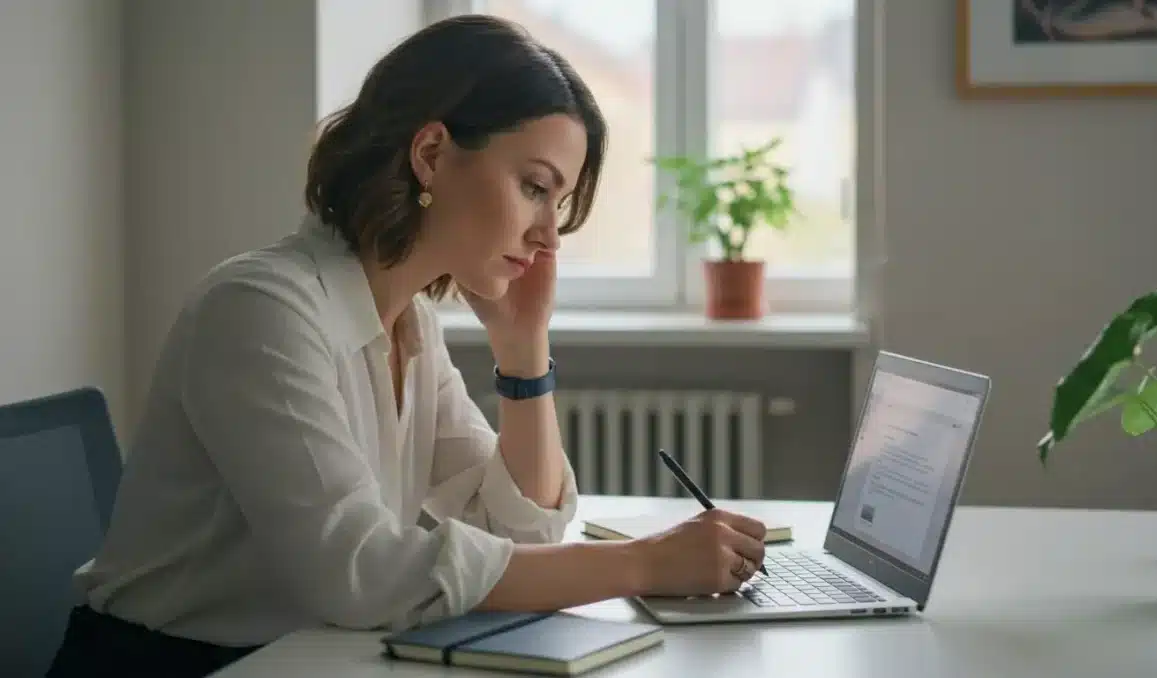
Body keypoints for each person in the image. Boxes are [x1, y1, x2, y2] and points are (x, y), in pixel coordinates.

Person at [46, 14, 768, 678]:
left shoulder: (408, 322)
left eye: (561, 202)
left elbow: (525, 526)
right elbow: (362, 574)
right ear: (431, 153)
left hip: (308, 659)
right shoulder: (261, 312)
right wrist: (641, 566)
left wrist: (523, 351)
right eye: (534, 187)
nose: (551, 235)